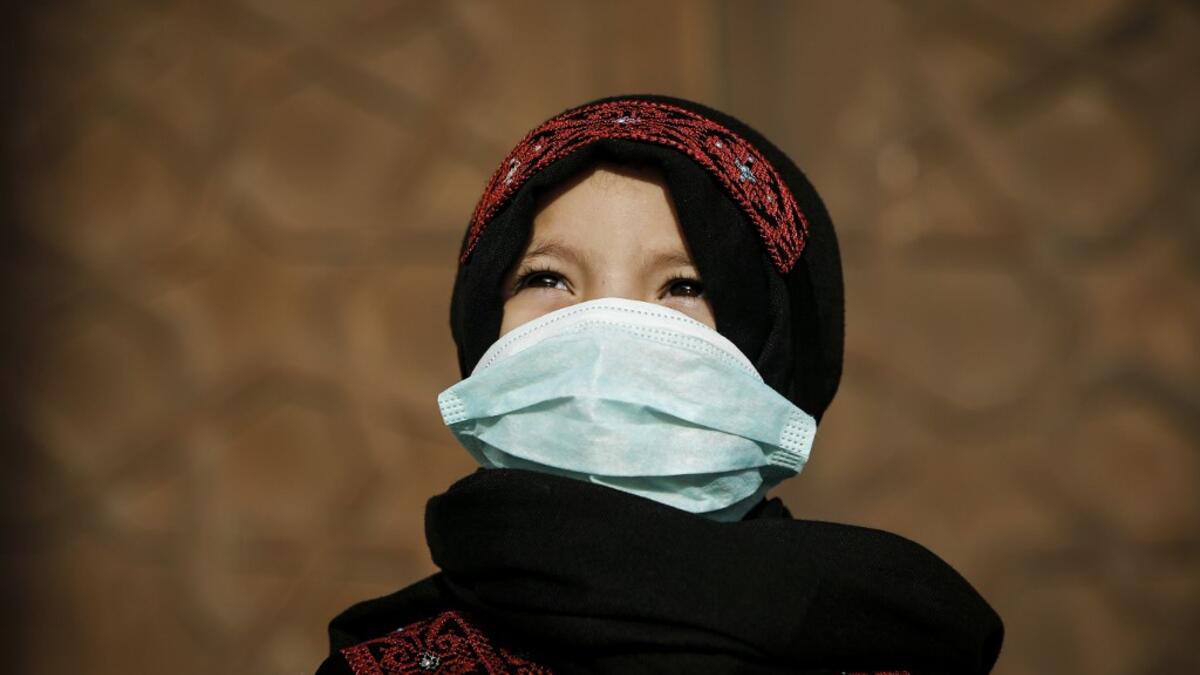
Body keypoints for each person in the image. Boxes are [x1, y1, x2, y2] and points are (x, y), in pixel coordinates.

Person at [315, 95, 1004, 675]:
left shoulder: (892, 646)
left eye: (684, 285)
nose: (603, 333)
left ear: (775, 350)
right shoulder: (390, 662)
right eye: (546, 278)